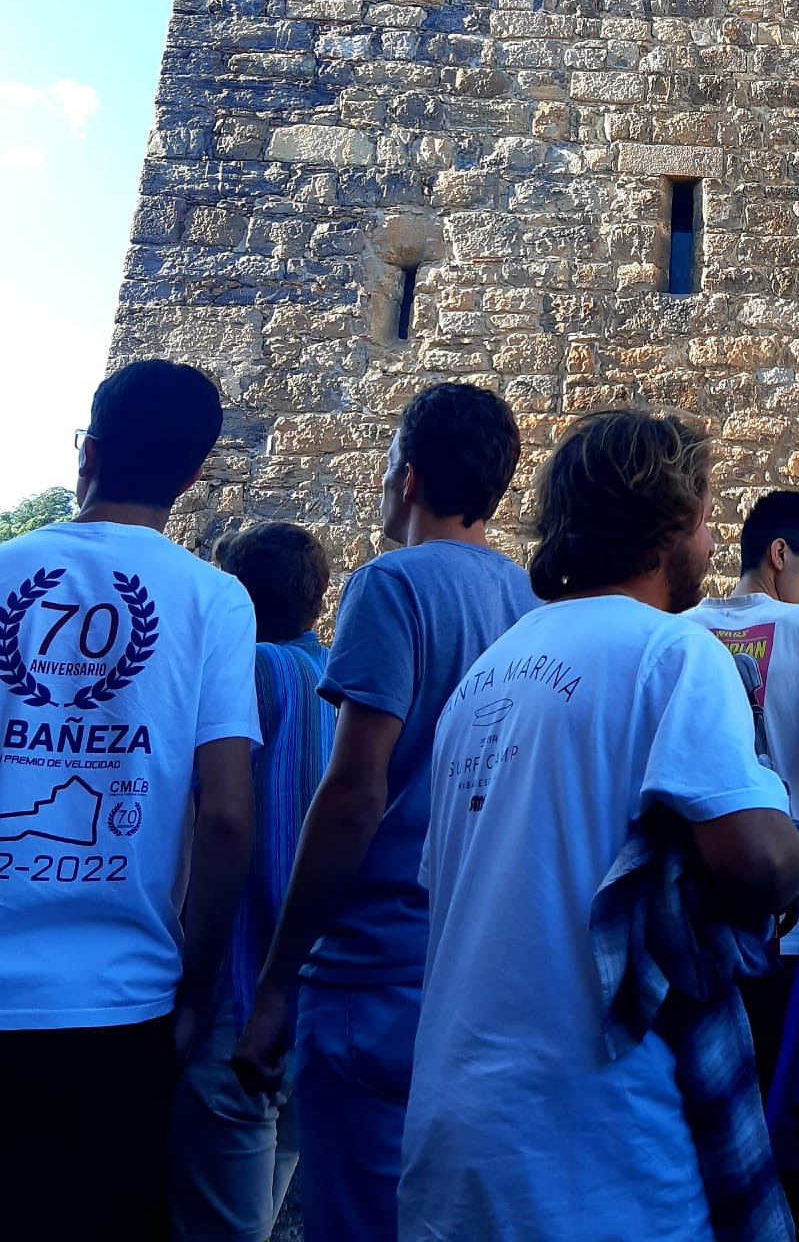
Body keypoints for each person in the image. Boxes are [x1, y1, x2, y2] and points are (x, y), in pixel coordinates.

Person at [396, 408, 799, 1241]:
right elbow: (760, 864)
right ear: (675, 521)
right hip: (598, 1152)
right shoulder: (675, 653)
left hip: (452, 1144)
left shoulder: (483, 678)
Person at [232, 382, 532, 1242]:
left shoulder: (390, 584)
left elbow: (356, 789)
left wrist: (278, 984)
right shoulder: (526, 603)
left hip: (371, 970)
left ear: (405, 479)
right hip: (475, 967)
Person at [0, 360, 257, 1242]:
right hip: (118, 1006)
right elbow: (226, 815)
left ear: (88, 454)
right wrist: (197, 982)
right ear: (192, 475)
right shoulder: (215, 599)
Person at [688, 489, 799, 1233]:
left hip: (700, 925)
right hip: (796, 927)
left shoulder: (682, 630)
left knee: (706, 1129)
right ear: (779, 554)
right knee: (789, 1131)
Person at [170, 521, 335, 1242]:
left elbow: (217, 819)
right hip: (319, 993)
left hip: (237, 988)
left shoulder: (242, 677)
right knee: (268, 1204)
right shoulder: (340, 683)